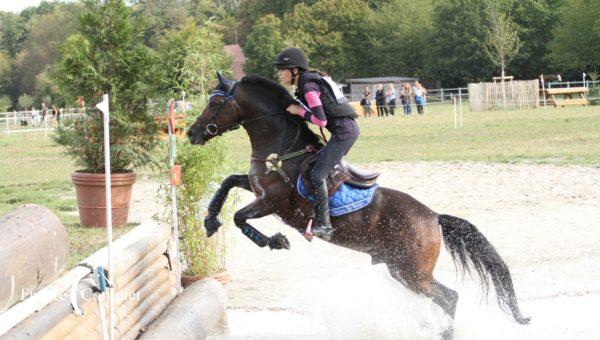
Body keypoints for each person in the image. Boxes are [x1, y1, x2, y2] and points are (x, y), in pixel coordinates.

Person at [273, 47, 360, 239]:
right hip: (345, 131)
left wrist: (298, 111)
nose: (280, 73)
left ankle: (325, 225)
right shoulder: (307, 82)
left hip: (344, 133)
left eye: (282, 69)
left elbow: (321, 121)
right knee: (313, 167)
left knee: (317, 175)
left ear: (295, 70)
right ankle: (314, 215)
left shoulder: (308, 86)